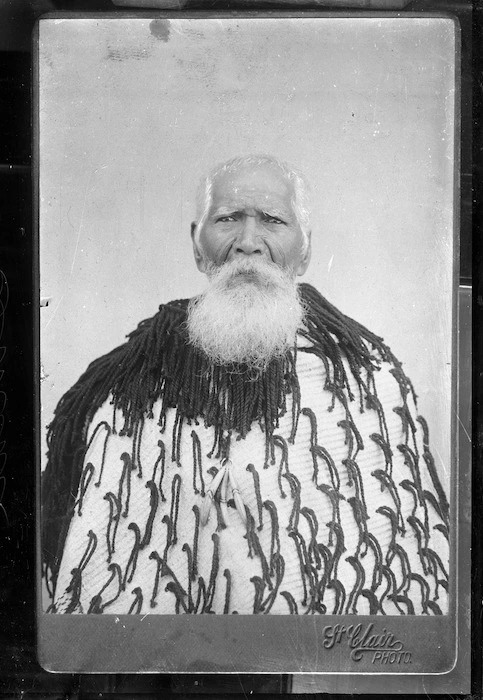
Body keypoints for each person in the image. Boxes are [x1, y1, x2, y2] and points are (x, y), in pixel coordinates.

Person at [42, 154, 449, 615]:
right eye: (228, 219)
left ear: (306, 249)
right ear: (197, 245)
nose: (248, 243)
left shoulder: (366, 379)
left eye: (273, 220)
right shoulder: (125, 388)